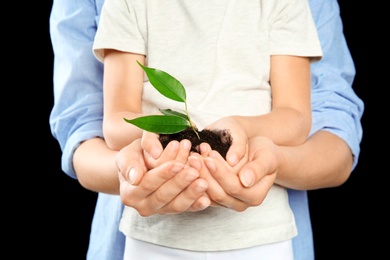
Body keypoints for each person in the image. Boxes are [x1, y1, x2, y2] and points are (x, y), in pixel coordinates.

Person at [49, 0, 364, 259]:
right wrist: (159, 144)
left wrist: (243, 132)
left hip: (261, 236)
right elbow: (112, 124)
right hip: (153, 237)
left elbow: (297, 118)